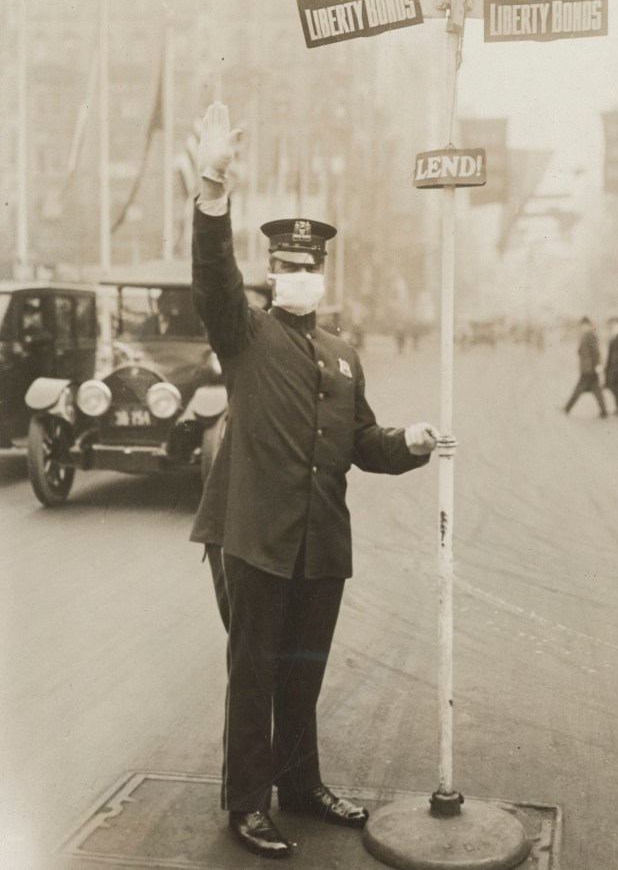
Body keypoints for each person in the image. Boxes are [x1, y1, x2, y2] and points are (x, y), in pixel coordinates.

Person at [190, 103, 438, 860]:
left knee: (302, 676)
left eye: (310, 267)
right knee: (254, 677)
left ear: (322, 275)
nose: (298, 276)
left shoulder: (342, 351)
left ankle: (301, 787)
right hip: (256, 537)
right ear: (271, 273)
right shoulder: (246, 332)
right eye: (287, 267)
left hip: (320, 544)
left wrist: (411, 442)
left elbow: (361, 440)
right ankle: (247, 805)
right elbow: (211, 275)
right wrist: (212, 187)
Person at [563, 316, 608, 418]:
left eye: (583, 326)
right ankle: (604, 411)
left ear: (587, 325)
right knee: (597, 390)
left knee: (579, 389)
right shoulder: (587, 335)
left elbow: (596, 352)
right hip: (588, 368)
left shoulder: (590, 335)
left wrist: (598, 364)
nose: (582, 328)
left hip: (589, 368)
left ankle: (567, 408)